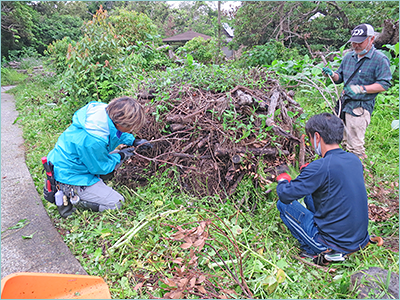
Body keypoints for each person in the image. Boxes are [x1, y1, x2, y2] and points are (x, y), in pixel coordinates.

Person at [275, 113, 370, 265]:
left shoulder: (320, 167)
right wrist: (310, 173)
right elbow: (338, 181)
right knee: (311, 196)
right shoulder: (354, 160)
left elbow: (286, 195)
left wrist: (282, 181)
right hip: (359, 240)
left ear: (317, 137)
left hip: (334, 244)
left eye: (310, 138)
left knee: (283, 205)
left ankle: (315, 249)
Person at [44, 96, 151, 217]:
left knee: (115, 159)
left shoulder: (104, 114)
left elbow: (115, 133)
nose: (131, 129)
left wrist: (133, 141)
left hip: (74, 163)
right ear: (119, 123)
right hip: (70, 177)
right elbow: (100, 167)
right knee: (117, 203)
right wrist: (121, 155)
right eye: (130, 127)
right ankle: (72, 197)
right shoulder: (93, 140)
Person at [322, 23, 392, 159]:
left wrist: (361, 89)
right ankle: (344, 168)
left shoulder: (379, 59)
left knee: (355, 145)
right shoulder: (349, 57)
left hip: (360, 107)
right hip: (343, 104)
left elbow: (384, 84)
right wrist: (331, 74)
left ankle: (362, 172)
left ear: (371, 39)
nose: (356, 45)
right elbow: (340, 77)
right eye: (354, 42)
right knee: (340, 139)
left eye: (360, 42)